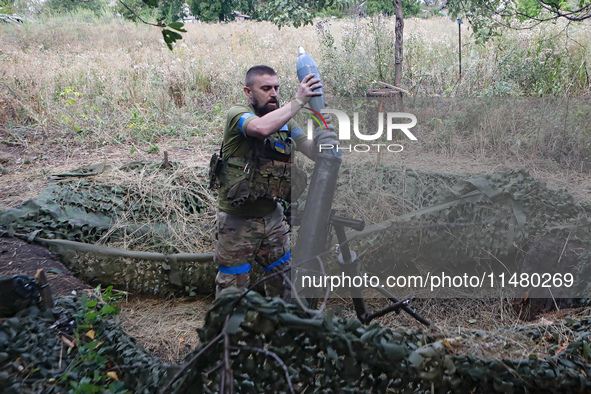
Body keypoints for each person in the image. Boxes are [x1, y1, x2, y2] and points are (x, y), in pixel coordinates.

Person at [212, 65, 334, 299]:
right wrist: (298, 101)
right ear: (248, 92)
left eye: (276, 88)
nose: (273, 93)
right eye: (266, 88)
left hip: (273, 219)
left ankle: (278, 330)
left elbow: (313, 152)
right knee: (232, 291)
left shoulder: (287, 122)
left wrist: (322, 128)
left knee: (284, 283)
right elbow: (261, 127)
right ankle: (228, 334)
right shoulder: (238, 115)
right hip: (237, 222)